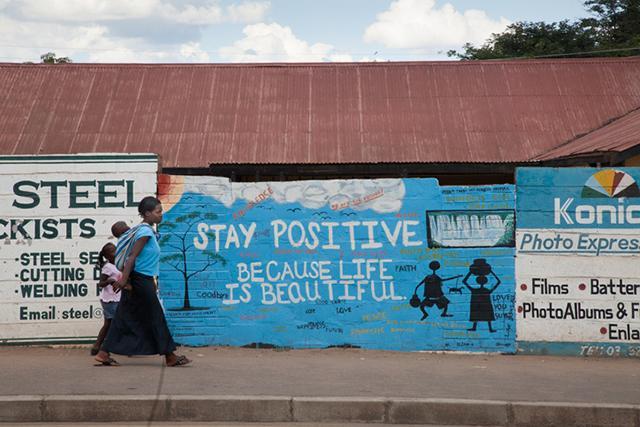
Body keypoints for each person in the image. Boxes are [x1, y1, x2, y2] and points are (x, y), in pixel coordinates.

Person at [94, 197, 191, 367]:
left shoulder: (146, 231)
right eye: (158, 211)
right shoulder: (145, 232)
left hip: (137, 279)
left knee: (123, 316)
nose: (161, 214)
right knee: (156, 316)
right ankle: (170, 356)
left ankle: (103, 353)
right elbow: (132, 256)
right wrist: (123, 279)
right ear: (147, 214)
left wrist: (126, 279)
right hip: (140, 281)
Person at [90, 243, 121, 356]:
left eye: (116, 250)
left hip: (117, 298)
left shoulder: (119, 264)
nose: (116, 252)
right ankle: (103, 347)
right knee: (112, 323)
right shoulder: (108, 267)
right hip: (109, 299)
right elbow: (101, 284)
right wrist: (110, 281)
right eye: (112, 252)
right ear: (107, 256)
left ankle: (97, 347)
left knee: (109, 323)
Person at [462, 258, 501, 333]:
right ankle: (490, 329)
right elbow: (498, 282)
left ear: (477, 281)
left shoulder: (474, 291)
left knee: (476, 314)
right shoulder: (487, 291)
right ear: (485, 281)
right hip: (485, 305)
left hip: (477, 306)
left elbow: (464, 281)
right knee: (488, 314)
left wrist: (470, 272)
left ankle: (474, 327)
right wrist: (491, 272)